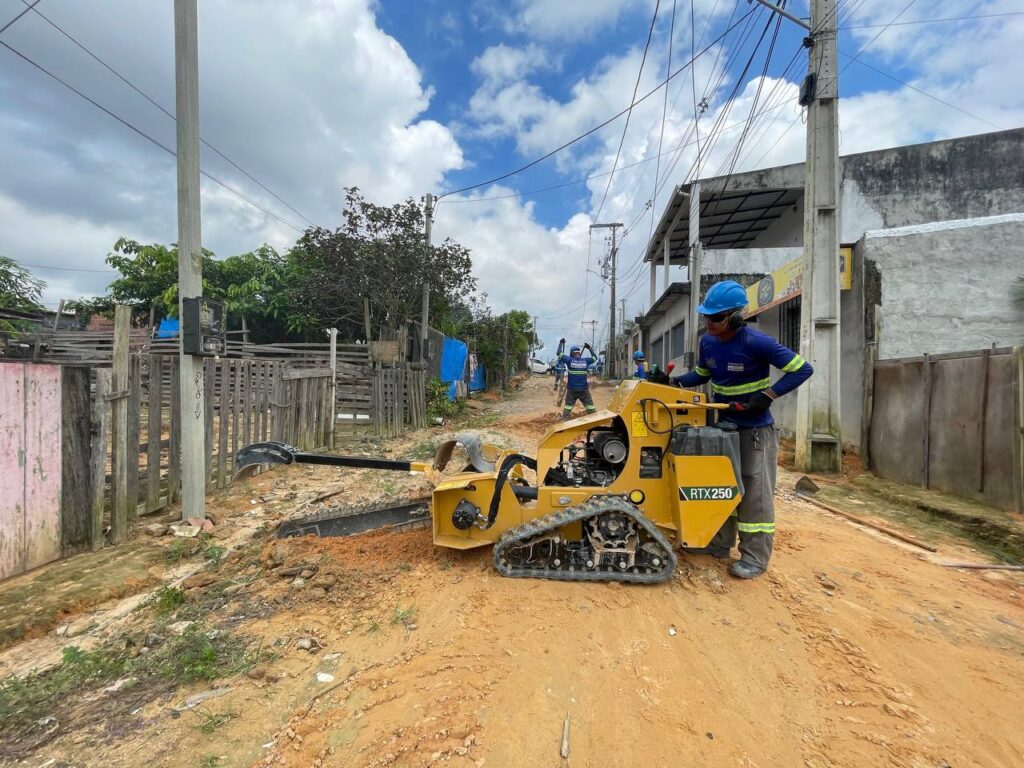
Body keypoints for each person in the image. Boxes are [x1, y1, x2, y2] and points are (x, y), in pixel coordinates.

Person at [673, 280, 813, 580]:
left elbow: (802, 369)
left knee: (755, 495)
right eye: (706, 317)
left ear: (736, 317)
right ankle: (719, 543)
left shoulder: (756, 342)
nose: (708, 323)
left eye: (715, 318)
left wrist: (768, 396)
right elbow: (702, 373)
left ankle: (754, 557)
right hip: (722, 429)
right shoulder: (707, 342)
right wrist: (674, 382)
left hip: (754, 431)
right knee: (720, 488)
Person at [557, 339, 597, 420]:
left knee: (568, 407)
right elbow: (595, 357)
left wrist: (561, 343)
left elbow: (559, 353)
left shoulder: (569, 360)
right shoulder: (585, 361)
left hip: (572, 390)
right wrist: (589, 348)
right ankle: (594, 420)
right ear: (579, 353)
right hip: (584, 390)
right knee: (590, 408)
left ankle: (565, 421)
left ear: (572, 353)